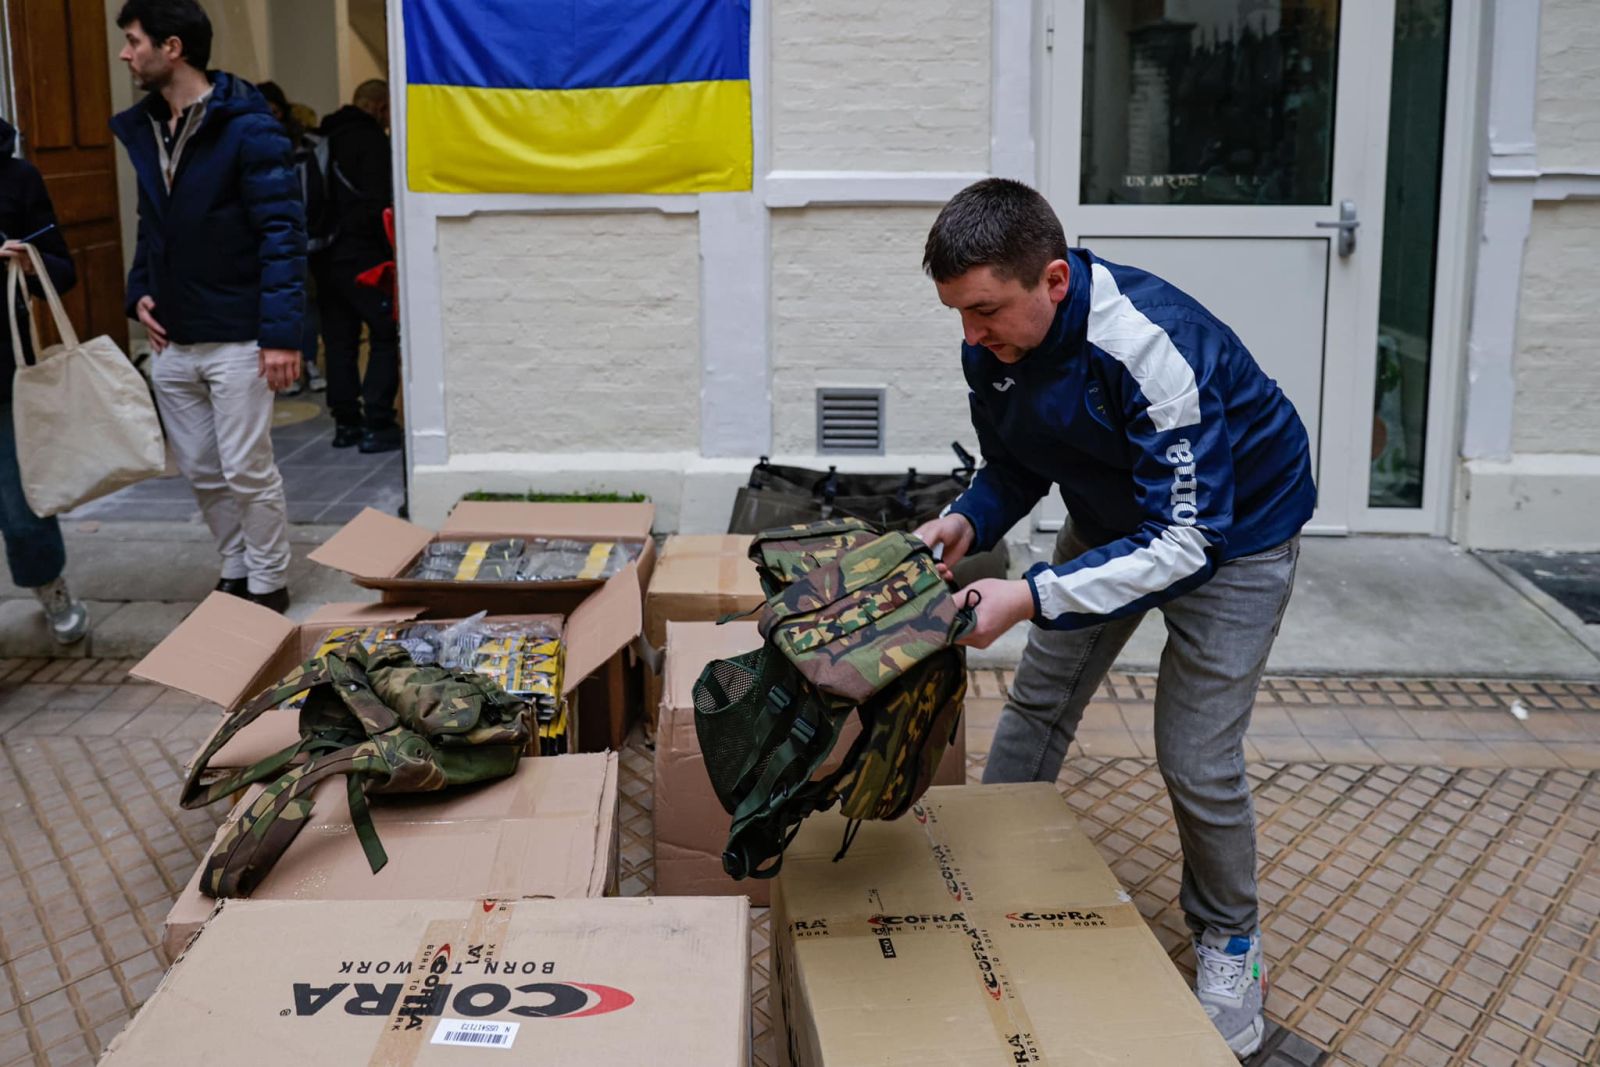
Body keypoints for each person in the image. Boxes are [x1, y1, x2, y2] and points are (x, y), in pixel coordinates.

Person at [913, 178, 1315, 1058]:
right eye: (959, 315)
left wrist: (1030, 595)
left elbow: (1187, 542)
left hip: (1237, 530)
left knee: (1197, 755)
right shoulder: (992, 347)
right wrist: (969, 519)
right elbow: (1016, 464)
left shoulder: (1151, 349)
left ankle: (1229, 943)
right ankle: (985, 870)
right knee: (1038, 699)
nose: (972, 337)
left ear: (1054, 280)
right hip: (1120, 506)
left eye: (985, 311)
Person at [110, 0, 306, 613]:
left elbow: (282, 233)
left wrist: (281, 335)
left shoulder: (248, 128)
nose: (125, 53)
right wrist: (139, 291)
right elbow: (152, 223)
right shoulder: (146, 127)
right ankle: (236, 564)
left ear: (173, 48)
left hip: (239, 337)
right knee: (200, 469)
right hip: (173, 338)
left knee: (248, 470)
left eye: (134, 41)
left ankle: (270, 580)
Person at [0, 119, 89, 644]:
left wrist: (27, 262)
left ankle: (49, 586)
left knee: (20, 499)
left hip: (4, 371)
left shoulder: (17, 177)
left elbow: (62, 270)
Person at [315, 79, 400, 454]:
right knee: (384, 333)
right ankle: (377, 422)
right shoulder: (371, 143)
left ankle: (345, 423)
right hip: (364, 257)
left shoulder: (322, 138)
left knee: (339, 342)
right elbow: (381, 204)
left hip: (322, 256)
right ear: (380, 106)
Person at [257, 79, 325, 397]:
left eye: (275, 111)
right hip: (266, 241)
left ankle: (307, 361)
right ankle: (289, 370)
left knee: (306, 304)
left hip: (306, 238)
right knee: (283, 302)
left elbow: (314, 192)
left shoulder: (303, 147)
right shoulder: (249, 145)